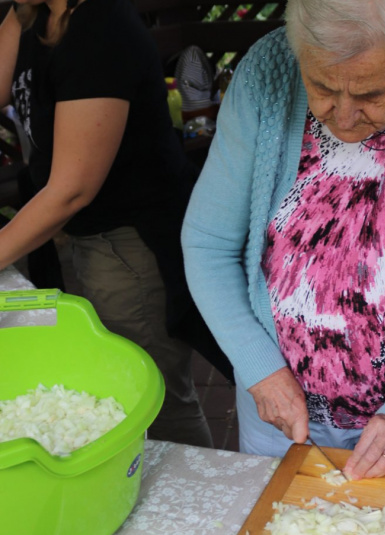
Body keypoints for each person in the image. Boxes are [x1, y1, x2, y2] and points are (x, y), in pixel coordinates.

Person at [182, 0, 385, 480]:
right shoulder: (266, 73)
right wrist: (260, 369)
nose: (343, 116)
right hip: (279, 412)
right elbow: (208, 244)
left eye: (372, 94)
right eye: (321, 86)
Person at [0, 0, 231, 447]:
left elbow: (72, 189)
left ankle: (189, 511)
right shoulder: (37, 18)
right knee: (119, 390)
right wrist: (14, 13)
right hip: (91, 237)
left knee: (154, 402)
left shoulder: (100, 27)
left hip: (130, 245)